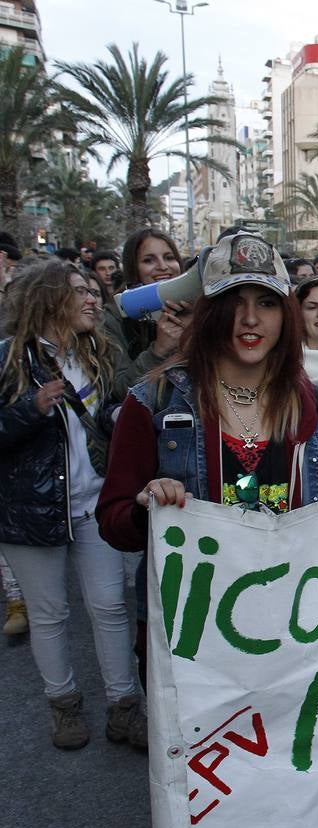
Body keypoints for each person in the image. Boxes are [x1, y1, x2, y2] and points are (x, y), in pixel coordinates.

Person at [95, 232, 318, 690]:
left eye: (266, 302)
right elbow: (112, 519)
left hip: (295, 628)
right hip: (192, 635)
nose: (249, 319)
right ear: (209, 311)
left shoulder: (316, 409)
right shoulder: (155, 404)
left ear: (286, 314)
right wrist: (145, 507)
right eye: (232, 301)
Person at [0, 260, 145, 751]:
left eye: (92, 291)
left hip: (92, 501)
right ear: (47, 299)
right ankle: (63, 706)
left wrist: (117, 413)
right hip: (32, 509)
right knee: (50, 614)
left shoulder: (92, 354)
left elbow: (96, 417)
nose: (92, 300)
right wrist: (29, 411)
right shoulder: (9, 359)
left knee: (109, 607)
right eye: (80, 291)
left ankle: (124, 708)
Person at [100, 228, 187, 398]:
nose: (163, 267)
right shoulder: (114, 318)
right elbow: (120, 390)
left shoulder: (197, 306)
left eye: (169, 258)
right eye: (149, 260)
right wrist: (158, 351)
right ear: (133, 268)